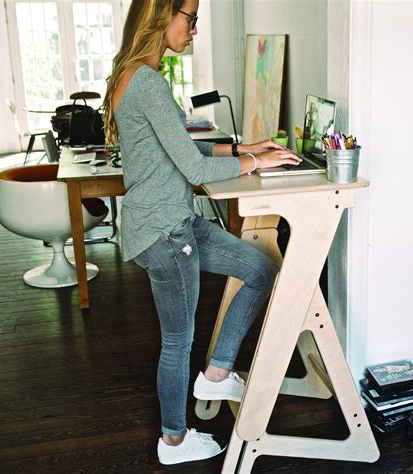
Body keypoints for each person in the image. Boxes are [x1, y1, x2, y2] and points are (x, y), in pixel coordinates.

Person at [103, 0, 300, 466]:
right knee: (177, 340)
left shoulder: (136, 76)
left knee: (258, 266)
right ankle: (173, 441)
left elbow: (176, 143)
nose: (195, 28)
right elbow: (192, 167)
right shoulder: (147, 81)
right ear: (160, 15)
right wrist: (256, 163)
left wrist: (243, 146)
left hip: (178, 222)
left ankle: (216, 372)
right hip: (165, 232)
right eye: (190, 17)